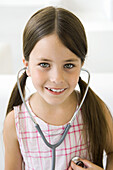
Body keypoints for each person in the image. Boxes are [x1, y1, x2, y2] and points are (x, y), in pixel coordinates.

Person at [3, 6, 113, 170]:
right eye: (44, 64)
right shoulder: (16, 123)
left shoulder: (94, 110)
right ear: (27, 65)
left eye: (68, 65)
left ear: (81, 64)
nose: (57, 78)